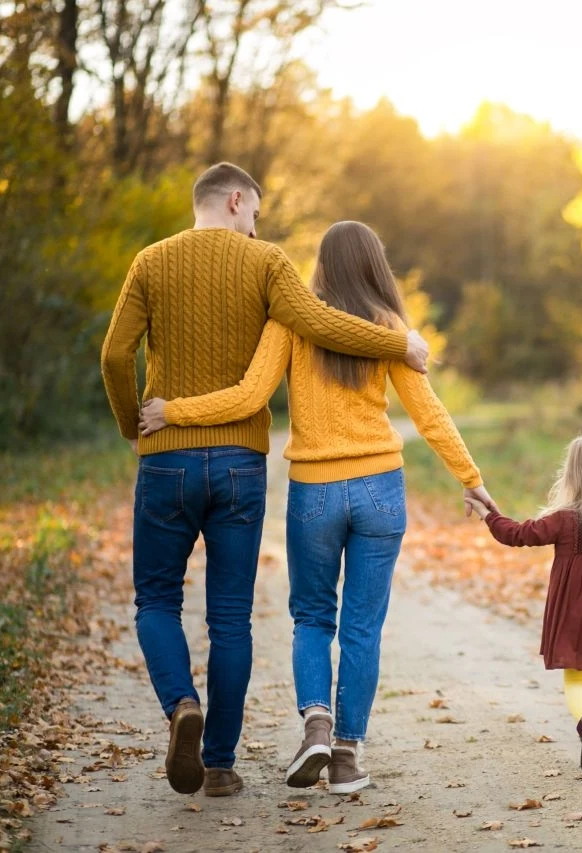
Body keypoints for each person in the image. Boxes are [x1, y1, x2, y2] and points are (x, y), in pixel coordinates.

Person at [100, 164, 432, 798]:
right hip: (239, 463)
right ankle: (220, 764)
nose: (256, 227)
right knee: (231, 618)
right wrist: (399, 343)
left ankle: (181, 705)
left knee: (156, 600)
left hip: (166, 458)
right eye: (254, 212)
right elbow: (322, 323)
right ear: (234, 200)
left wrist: (131, 427)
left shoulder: (150, 261)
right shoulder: (266, 262)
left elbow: (115, 355)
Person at [137, 220, 495, 794]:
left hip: (314, 492)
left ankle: (316, 726)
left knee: (312, 617)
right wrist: (470, 479)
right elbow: (428, 412)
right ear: (375, 266)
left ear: (321, 266)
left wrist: (173, 411)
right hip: (380, 488)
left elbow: (249, 397)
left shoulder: (291, 323)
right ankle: (347, 757)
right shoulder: (389, 329)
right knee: (363, 627)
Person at [464, 434, 582, 775]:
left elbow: (516, 534)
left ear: (572, 473)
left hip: (576, 612)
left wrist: (487, 513)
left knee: (577, 680)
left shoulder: (564, 519)